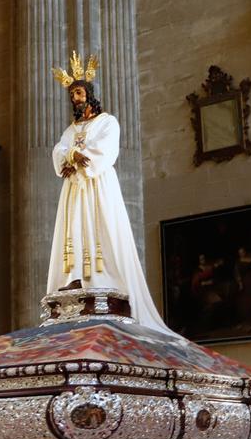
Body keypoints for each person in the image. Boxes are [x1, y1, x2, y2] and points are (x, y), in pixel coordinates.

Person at [47, 51, 182, 339]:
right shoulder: (71, 129)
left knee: (100, 225)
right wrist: (71, 154)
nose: (76, 98)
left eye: (80, 92)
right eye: (72, 94)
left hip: (98, 183)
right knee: (74, 227)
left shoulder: (107, 121)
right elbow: (60, 151)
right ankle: (75, 278)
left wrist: (79, 157)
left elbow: (104, 150)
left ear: (90, 94)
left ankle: (101, 276)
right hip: (74, 188)